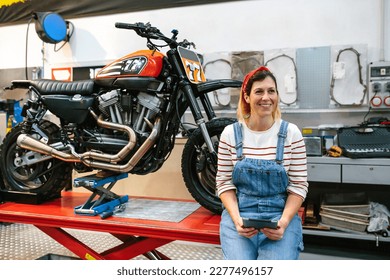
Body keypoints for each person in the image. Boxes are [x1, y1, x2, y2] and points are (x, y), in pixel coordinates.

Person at [216, 66, 308, 260]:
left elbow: (298, 186)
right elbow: (224, 183)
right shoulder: (230, 134)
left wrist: (283, 222)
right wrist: (237, 220)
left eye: (271, 91)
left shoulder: (291, 133)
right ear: (247, 97)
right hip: (241, 213)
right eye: (259, 91)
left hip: (280, 213)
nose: (266, 97)